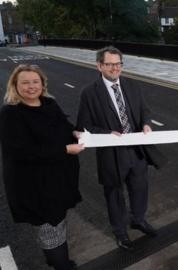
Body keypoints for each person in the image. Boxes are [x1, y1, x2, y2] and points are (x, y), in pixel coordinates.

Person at [77, 46, 161, 250]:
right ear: (99, 66)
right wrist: (106, 134)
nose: (115, 68)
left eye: (118, 63)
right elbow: (84, 126)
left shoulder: (132, 85)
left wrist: (146, 123)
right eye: (110, 64)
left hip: (136, 149)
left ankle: (138, 220)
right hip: (111, 153)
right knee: (114, 195)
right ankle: (120, 232)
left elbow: (144, 111)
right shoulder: (89, 93)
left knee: (140, 188)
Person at [0, 64, 84, 269]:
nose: (31, 87)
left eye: (35, 81)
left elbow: (64, 127)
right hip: (35, 187)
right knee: (50, 227)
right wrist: (65, 150)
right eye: (25, 82)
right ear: (14, 85)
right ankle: (61, 265)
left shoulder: (49, 103)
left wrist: (76, 133)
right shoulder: (10, 113)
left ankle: (57, 259)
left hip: (58, 181)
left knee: (58, 222)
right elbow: (21, 152)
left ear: (42, 83)